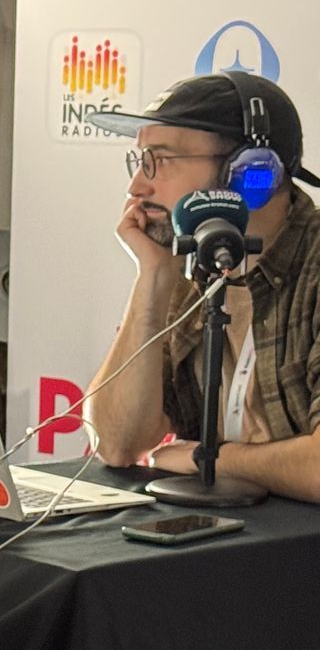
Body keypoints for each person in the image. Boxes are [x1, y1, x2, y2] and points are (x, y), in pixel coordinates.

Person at [85, 72, 320, 497]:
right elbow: (117, 444)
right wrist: (154, 276)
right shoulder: (192, 266)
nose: (136, 187)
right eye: (140, 161)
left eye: (160, 160)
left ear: (249, 171)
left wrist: (210, 459)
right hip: (224, 532)